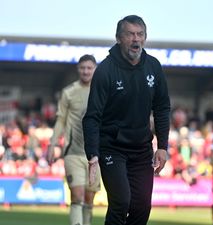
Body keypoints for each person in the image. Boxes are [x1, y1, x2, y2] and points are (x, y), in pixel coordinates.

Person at [82, 15, 170, 225]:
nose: (136, 39)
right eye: (130, 34)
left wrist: (163, 146)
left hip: (141, 149)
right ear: (119, 38)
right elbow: (92, 117)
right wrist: (93, 154)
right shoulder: (105, 70)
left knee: (142, 208)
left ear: (145, 38)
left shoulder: (154, 67)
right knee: (121, 202)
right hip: (112, 148)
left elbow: (162, 107)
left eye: (140, 34)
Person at [48, 54, 101, 225]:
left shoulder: (102, 90)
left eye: (89, 68)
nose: (86, 71)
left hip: (97, 155)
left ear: (95, 69)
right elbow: (61, 119)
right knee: (77, 196)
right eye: (82, 68)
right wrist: (52, 143)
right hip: (73, 152)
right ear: (78, 69)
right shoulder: (69, 92)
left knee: (89, 198)